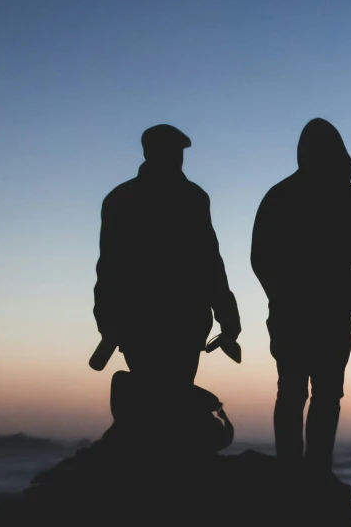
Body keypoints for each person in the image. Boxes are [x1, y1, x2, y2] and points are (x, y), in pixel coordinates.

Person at [251, 117, 351, 472]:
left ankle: (309, 469)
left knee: (308, 394)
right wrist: (283, 296)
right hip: (307, 314)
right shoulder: (293, 197)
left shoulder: (288, 196)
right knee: (307, 394)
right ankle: (305, 470)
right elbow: (261, 258)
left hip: (323, 314)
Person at [93, 124, 240, 397]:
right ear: (152, 152)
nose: (178, 158)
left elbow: (108, 269)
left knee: (154, 404)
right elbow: (209, 263)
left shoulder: (119, 198)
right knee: (172, 404)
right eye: (174, 151)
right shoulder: (191, 198)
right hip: (177, 320)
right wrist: (227, 316)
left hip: (144, 322)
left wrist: (107, 322)